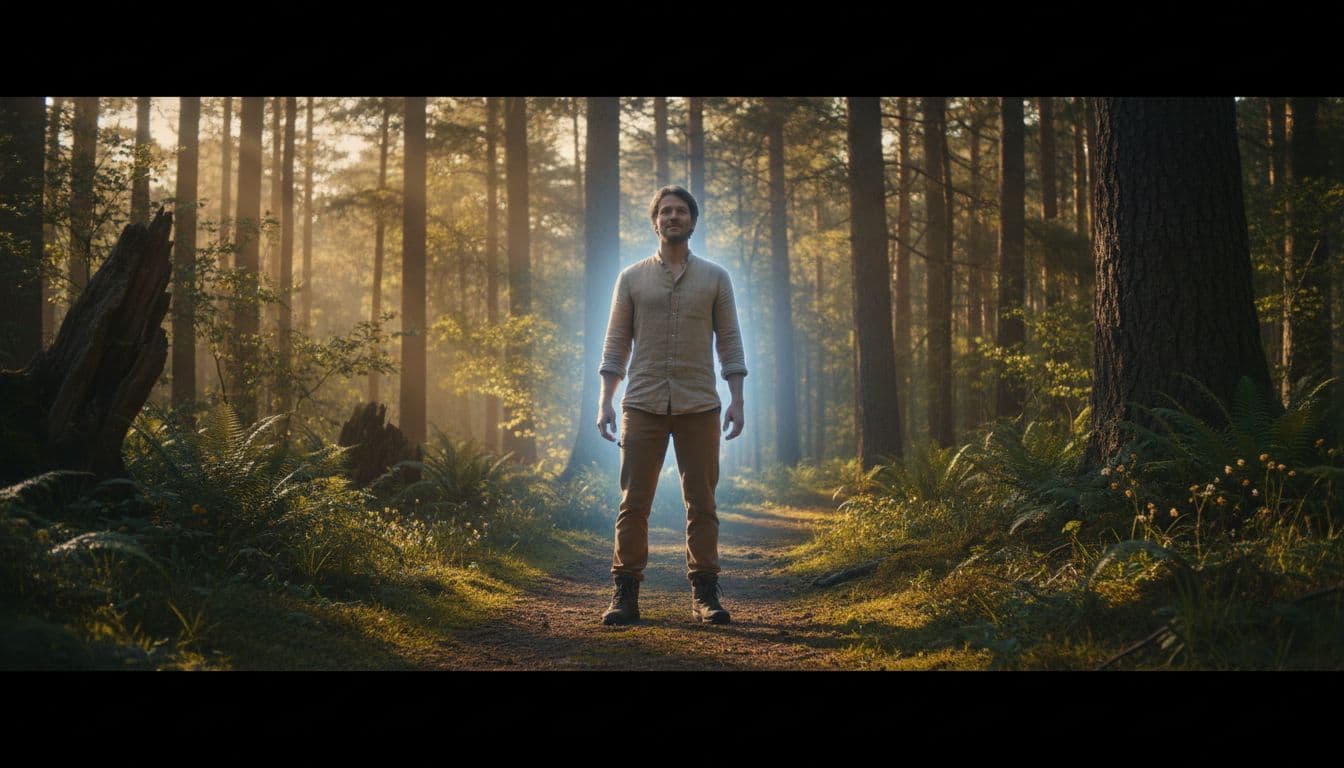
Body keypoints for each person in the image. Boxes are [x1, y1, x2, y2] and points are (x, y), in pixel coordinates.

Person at [596, 185, 747, 626]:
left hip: (700, 405)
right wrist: (605, 401)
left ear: (693, 221)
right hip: (641, 403)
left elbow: (731, 341)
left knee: (702, 502)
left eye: (681, 211)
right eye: (665, 211)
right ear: (655, 221)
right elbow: (615, 345)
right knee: (634, 502)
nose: (673, 217)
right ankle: (625, 594)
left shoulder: (716, 278)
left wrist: (737, 400)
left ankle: (705, 594)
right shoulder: (631, 278)